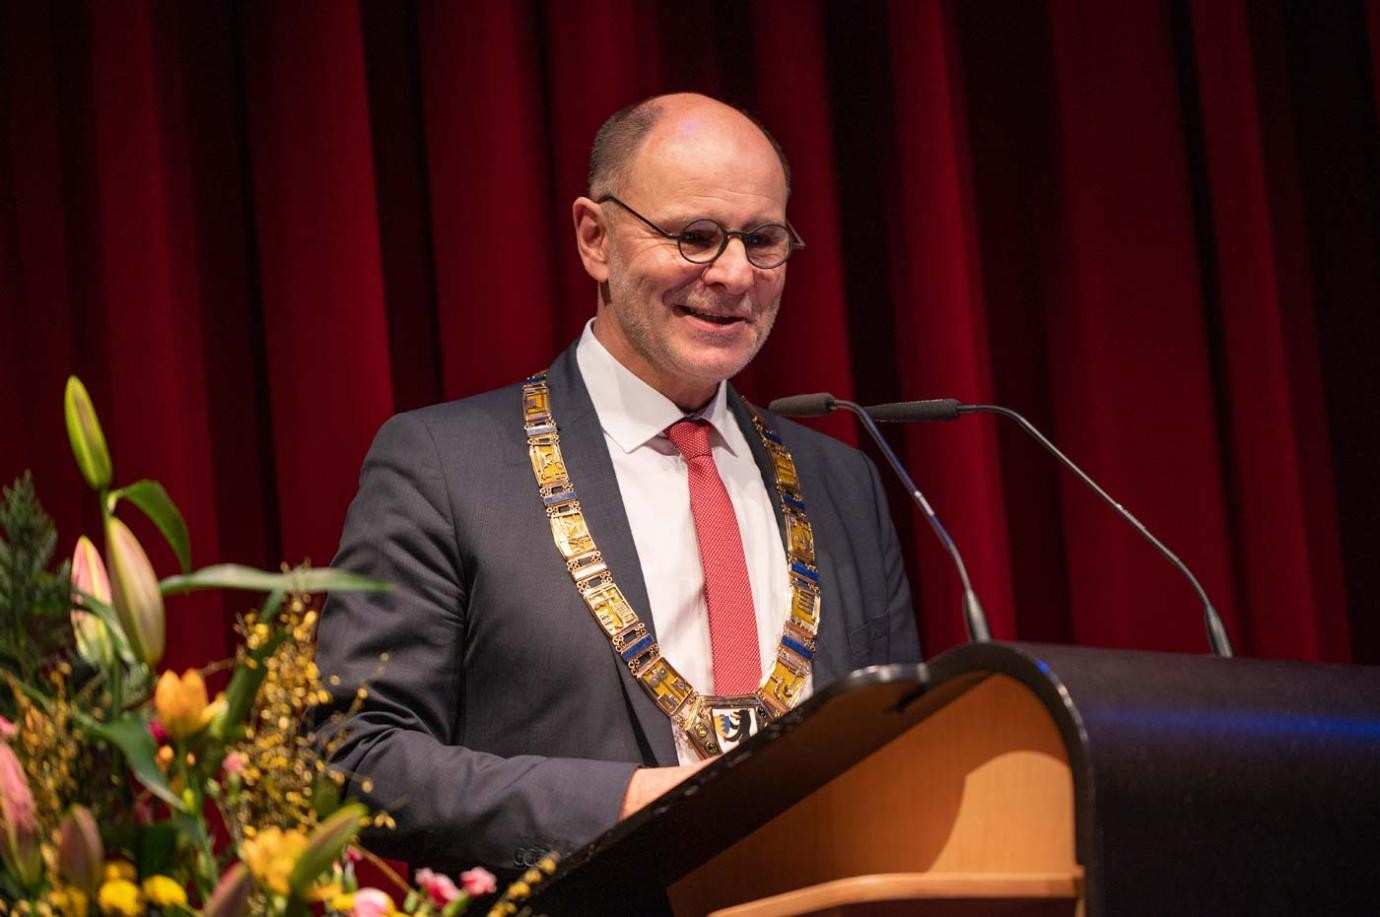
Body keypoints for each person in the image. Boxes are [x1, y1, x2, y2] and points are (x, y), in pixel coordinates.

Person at [315, 93, 920, 875]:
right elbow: (353, 754)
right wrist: (630, 803)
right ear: (595, 239)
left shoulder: (842, 482)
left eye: (762, 240)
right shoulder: (445, 464)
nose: (735, 274)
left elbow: (899, 747)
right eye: (696, 236)